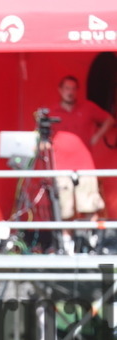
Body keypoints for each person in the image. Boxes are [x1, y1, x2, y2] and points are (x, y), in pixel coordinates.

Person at [47, 75, 115, 251]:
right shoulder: (52, 112)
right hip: (61, 167)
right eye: (67, 88)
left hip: (85, 165)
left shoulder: (87, 107)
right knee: (65, 210)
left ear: (77, 91)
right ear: (60, 90)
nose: (70, 92)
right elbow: (41, 137)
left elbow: (109, 120)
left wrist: (95, 138)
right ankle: (68, 247)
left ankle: (89, 244)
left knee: (91, 207)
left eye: (73, 88)